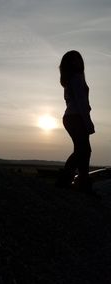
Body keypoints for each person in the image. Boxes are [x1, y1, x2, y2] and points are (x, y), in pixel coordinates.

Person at [57, 50, 95, 194]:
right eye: (74, 60)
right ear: (69, 64)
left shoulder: (71, 79)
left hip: (71, 117)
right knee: (83, 151)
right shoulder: (77, 78)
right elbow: (81, 103)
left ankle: (82, 184)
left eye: (78, 58)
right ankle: (66, 181)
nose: (78, 61)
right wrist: (88, 123)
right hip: (76, 117)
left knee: (83, 151)